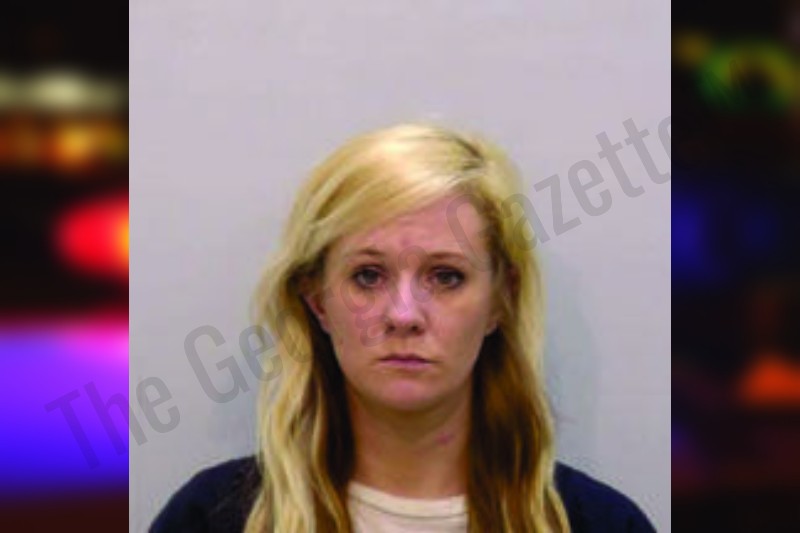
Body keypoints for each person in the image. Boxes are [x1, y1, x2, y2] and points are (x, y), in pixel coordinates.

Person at [150, 123, 656, 532]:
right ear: (317, 301)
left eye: (446, 276)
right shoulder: (209, 521)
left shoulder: (601, 525)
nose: (404, 315)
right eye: (368, 276)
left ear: (500, 301)